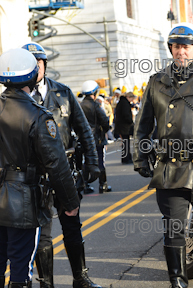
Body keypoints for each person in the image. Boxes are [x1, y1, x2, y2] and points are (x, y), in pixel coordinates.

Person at [133, 23, 193, 288]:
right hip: (171, 165)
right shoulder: (157, 81)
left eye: (185, 46)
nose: (180, 51)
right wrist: (140, 156)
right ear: (170, 49)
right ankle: (178, 280)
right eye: (176, 46)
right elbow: (143, 124)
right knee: (174, 226)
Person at [22, 43, 101, 288]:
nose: (35, 68)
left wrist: (93, 161)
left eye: (39, 63)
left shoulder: (64, 93)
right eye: (29, 64)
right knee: (42, 233)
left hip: (66, 172)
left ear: (45, 64)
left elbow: (84, 130)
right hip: (35, 176)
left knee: (72, 224)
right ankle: (46, 283)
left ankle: (81, 277)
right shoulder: (18, 97)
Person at [0, 48, 80, 288]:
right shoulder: (38, 116)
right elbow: (57, 165)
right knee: (20, 271)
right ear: (32, 76)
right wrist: (70, 202)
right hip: (22, 202)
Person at [80, 80, 111, 194]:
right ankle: (103, 185)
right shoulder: (95, 105)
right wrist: (106, 130)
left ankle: (84, 185)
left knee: (86, 161)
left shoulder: (80, 105)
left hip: (84, 138)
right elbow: (104, 120)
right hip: (97, 138)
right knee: (100, 162)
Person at [114, 92, 136, 164]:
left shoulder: (121, 102)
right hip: (125, 126)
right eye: (132, 98)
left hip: (121, 126)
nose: (132, 100)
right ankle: (127, 158)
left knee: (125, 142)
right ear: (129, 97)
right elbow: (126, 115)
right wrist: (131, 121)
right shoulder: (125, 104)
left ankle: (125, 158)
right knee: (126, 143)